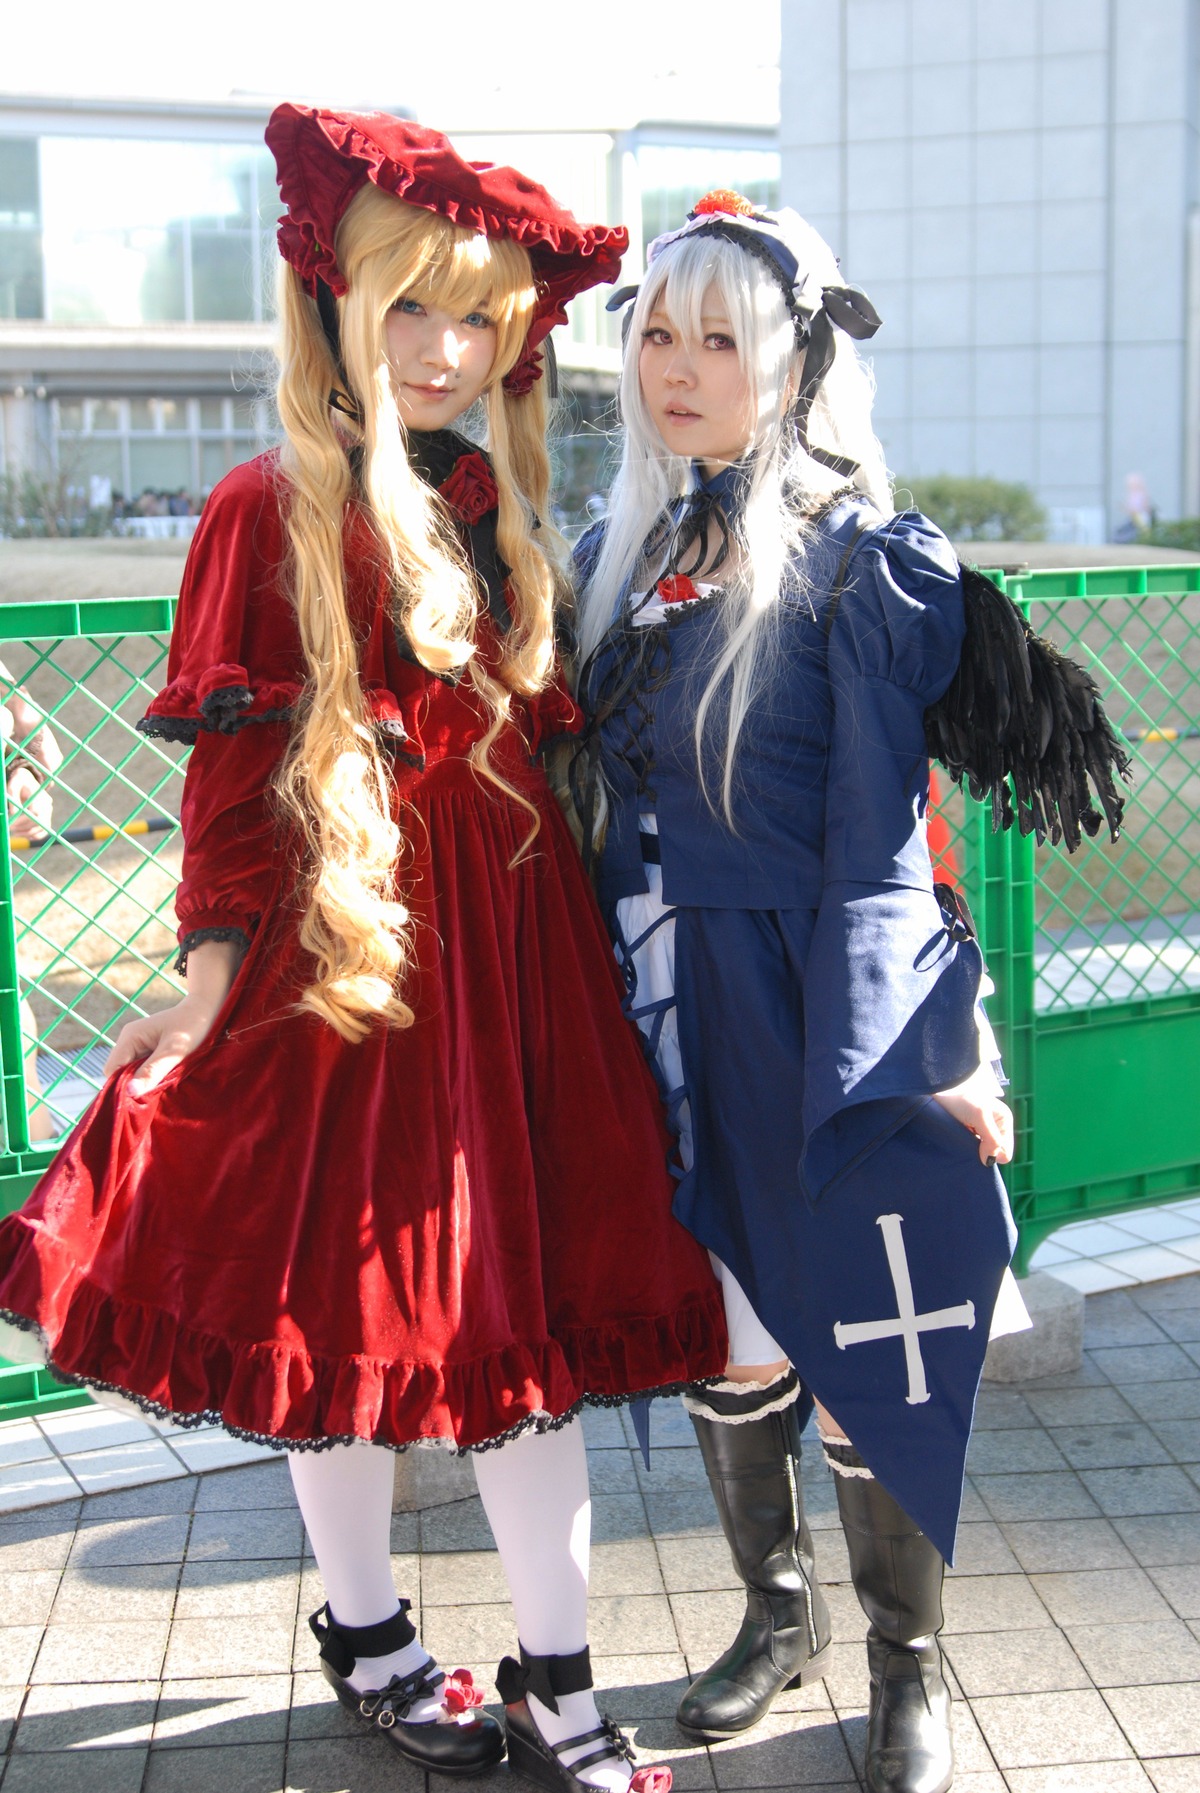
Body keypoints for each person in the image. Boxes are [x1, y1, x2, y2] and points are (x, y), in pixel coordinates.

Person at [0, 108, 729, 1790]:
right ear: (334, 300)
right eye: (413, 308)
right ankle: (371, 1629)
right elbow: (231, 787)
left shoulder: (485, 496)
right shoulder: (263, 509)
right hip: (356, 969)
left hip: (521, 972)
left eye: (480, 319)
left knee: (525, 1329)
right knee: (359, 1329)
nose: (449, 349)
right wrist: (201, 981)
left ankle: (562, 1681)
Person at [572, 193, 1126, 1793]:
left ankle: (908, 1662)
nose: (678, 369)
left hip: (825, 1004)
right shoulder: (623, 554)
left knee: (873, 1345)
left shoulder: (859, 563)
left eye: (717, 339)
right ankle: (781, 1609)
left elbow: (897, 848)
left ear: (794, 361)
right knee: (735, 1342)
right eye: (655, 334)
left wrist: (945, 1050)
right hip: (664, 1012)